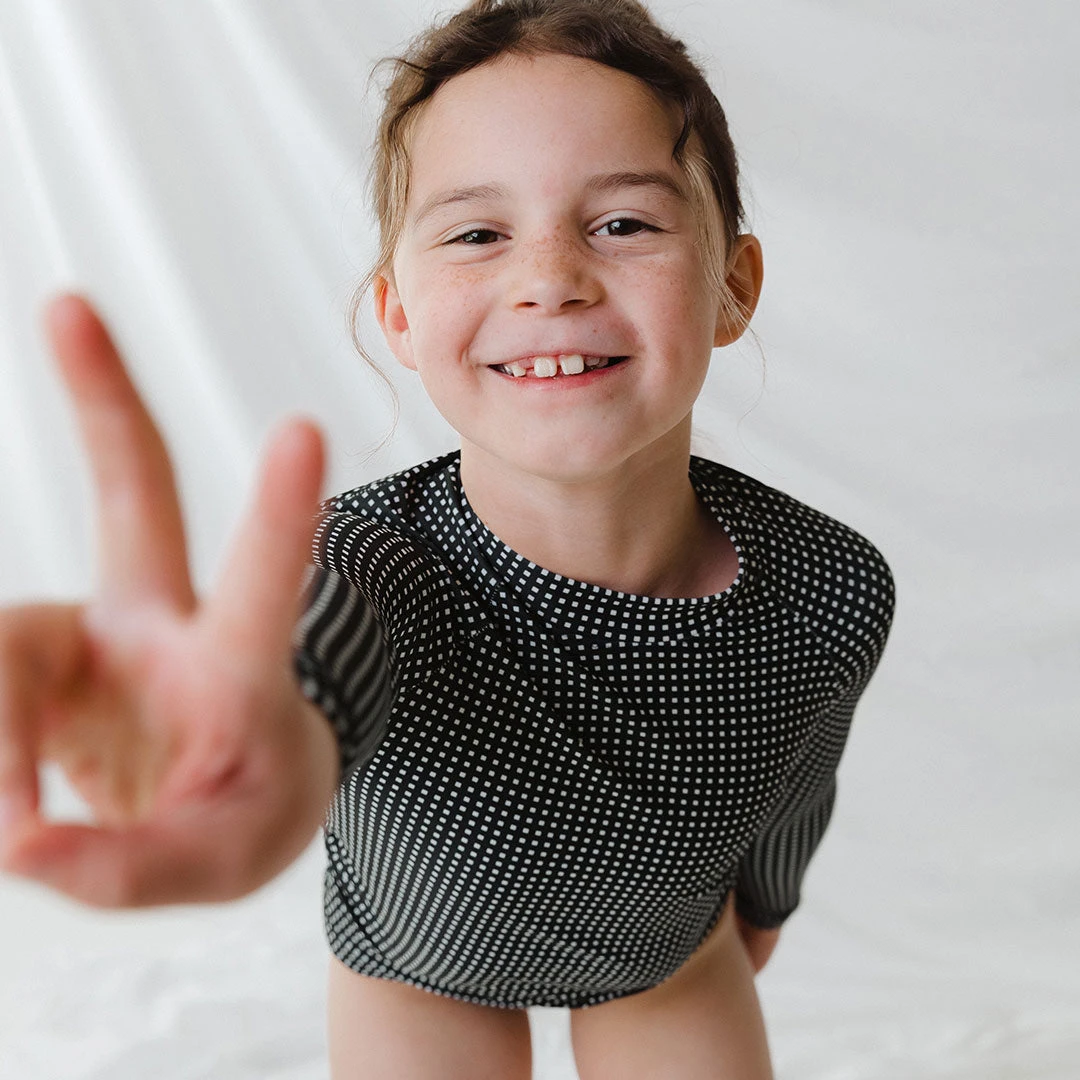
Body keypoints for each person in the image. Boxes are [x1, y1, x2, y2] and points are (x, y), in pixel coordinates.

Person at [0, 0, 894, 1076]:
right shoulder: (366, 563)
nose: (550, 277)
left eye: (624, 223)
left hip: (664, 956)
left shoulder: (831, 587)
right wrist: (242, 764)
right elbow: (307, 683)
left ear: (732, 287)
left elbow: (798, 784)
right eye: (478, 234)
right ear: (400, 316)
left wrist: (766, 905)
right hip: (418, 965)